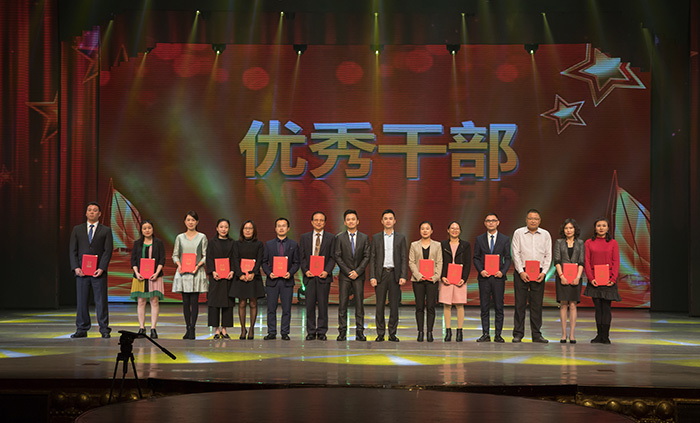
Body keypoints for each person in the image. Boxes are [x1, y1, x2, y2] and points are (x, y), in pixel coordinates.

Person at [68, 202, 114, 338]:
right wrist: (76, 267)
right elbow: (72, 250)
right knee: (82, 301)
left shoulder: (106, 230)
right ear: (86, 213)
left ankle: (104, 329)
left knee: (101, 301)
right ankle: (82, 329)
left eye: (95, 210)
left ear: (99, 214)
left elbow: (108, 251)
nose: (92, 212)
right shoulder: (77, 229)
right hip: (81, 272)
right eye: (89, 210)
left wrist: (102, 268)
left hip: (98, 272)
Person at [511, 209, 552, 343]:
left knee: (536, 304)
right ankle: (518, 333)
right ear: (526, 220)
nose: (533, 221)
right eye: (530, 218)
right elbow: (515, 253)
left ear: (539, 221)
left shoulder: (545, 234)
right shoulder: (518, 233)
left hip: (538, 272)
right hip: (522, 271)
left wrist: (544, 272)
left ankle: (536, 334)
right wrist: (520, 271)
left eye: (536, 219)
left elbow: (548, 255)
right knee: (520, 304)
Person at [369, 209, 407, 342]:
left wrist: (403, 275)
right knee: (379, 306)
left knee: (394, 306)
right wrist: (372, 276)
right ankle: (380, 333)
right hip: (381, 275)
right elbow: (372, 258)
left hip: (394, 275)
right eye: (385, 218)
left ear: (395, 221)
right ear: (382, 221)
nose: (388, 221)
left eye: (390, 218)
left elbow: (403, 258)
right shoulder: (376, 238)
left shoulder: (401, 238)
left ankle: (392, 333)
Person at [334, 209, 370, 341]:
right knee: (343, 304)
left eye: (353, 219)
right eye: (348, 219)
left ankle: (360, 332)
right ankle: (342, 331)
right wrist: (348, 271)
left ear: (357, 221)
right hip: (345, 276)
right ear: (344, 222)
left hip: (359, 276)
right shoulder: (339, 238)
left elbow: (367, 256)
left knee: (359, 304)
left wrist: (357, 271)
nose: (351, 221)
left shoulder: (364, 238)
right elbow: (337, 256)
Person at [473, 214, 510, 343]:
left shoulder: (504, 239)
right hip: (484, 278)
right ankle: (485, 334)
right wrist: (481, 270)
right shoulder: (479, 239)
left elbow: (508, 258)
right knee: (484, 306)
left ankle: (498, 334)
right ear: (485, 223)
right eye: (488, 221)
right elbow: (476, 257)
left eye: (493, 221)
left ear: (498, 222)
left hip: (499, 278)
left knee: (499, 306)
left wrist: (502, 272)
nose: (491, 223)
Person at [299, 211, 336, 341]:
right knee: (309, 305)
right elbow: (302, 257)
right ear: (312, 222)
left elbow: (332, 257)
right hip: (309, 277)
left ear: (324, 222)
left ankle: (321, 331)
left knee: (323, 305)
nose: (318, 222)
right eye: (316, 220)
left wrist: (327, 271)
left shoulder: (331, 238)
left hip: (323, 277)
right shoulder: (304, 237)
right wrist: (305, 270)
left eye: (321, 220)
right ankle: (310, 331)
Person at [583, 217, 621, 344]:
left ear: (608, 228)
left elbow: (616, 261)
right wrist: (591, 278)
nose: (601, 228)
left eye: (604, 225)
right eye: (599, 225)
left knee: (606, 308)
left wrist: (613, 279)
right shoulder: (588, 243)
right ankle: (599, 335)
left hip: (609, 280)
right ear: (595, 228)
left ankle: (606, 336)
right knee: (598, 308)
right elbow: (587, 261)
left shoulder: (613, 243)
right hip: (594, 280)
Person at [261, 217, 300, 340]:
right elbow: (263, 262)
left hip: (287, 281)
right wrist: (269, 273)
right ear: (275, 228)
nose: (281, 228)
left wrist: (290, 273)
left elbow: (297, 263)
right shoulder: (269, 244)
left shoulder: (294, 244)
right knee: (271, 308)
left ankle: (285, 332)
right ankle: (271, 332)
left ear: (288, 228)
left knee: (286, 309)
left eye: (284, 226)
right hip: (272, 281)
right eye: (279, 226)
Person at [172, 211, 208, 340]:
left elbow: (205, 255)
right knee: (185, 302)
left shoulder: (202, 237)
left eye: (193, 220)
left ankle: (193, 328)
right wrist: (179, 265)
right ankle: (187, 327)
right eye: (188, 220)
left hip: (196, 272)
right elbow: (175, 255)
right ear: (185, 222)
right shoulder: (180, 237)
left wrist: (198, 266)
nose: (191, 222)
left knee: (194, 301)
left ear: (197, 222)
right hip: (183, 272)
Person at [129, 220, 165, 339]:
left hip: (155, 276)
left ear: (153, 229)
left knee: (154, 301)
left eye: (149, 228)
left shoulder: (158, 243)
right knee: (141, 301)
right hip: (140, 276)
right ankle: (141, 328)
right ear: (141, 230)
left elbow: (162, 259)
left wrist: (156, 273)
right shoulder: (137, 243)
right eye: (144, 228)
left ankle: (153, 328)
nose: (147, 230)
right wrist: (137, 272)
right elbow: (133, 259)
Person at [230, 220, 265, 339]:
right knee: (242, 303)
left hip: (254, 277)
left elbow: (259, 260)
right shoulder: (236, 244)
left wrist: (253, 273)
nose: (248, 230)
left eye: (250, 228)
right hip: (241, 277)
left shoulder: (259, 244)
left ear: (254, 230)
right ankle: (243, 329)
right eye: (245, 228)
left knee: (253, 303)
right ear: (242, 230)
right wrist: (240, 274)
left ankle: (251, 329)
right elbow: (235, 259)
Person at [408, 221, 443, 342]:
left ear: (431, 231)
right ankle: (420, 332)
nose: (425, 231)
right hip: (418, 280)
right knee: (419, 307)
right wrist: (419, 276)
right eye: (422, 228)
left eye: (427, 228)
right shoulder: (414, 245)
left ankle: (430, 332)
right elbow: (411, 262)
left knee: (431, 307)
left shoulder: (437, 245)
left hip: (432, 281)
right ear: (419, 231)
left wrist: (435, 277)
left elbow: (439, 262)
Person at [553, 218, 585, 344]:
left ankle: (572, 334)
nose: (568, 230)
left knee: (573, 305)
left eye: (571, 228)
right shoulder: (559, 242)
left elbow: (581, 261)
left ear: (575, 229)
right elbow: (557, 260)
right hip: (562, 277)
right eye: (566, 228)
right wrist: (562, 276)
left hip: (576, 277)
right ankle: (563, 334)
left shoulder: (580, 243)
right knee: (563, 304)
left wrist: (578, 277)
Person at [440, 221, 472, 342]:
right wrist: (442, 276)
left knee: (459, 304)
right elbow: (440, 261)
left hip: (460, 279)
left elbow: (468, 263)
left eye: (457, 228)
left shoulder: (465, 245)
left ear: (460, 231)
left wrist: (464, 278)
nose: (454, 230)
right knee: (447, 305)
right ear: (448, 230)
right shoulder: (442, 245)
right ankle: (448, 331)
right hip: (446, 278)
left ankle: (459, 331)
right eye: (452, 228)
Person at [205, 219, 236, 340]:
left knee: (228, 303)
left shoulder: (232, 242)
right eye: (221, 227)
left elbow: (234, 258)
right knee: (214, 303)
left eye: (226, 227)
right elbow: (209, 258)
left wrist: (232, 270)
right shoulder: (212, 242)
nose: (223, 229)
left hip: (228, 277)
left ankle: (224, 329)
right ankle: (216, 330)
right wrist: (213, 271)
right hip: (216, 277)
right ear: (217, 228)